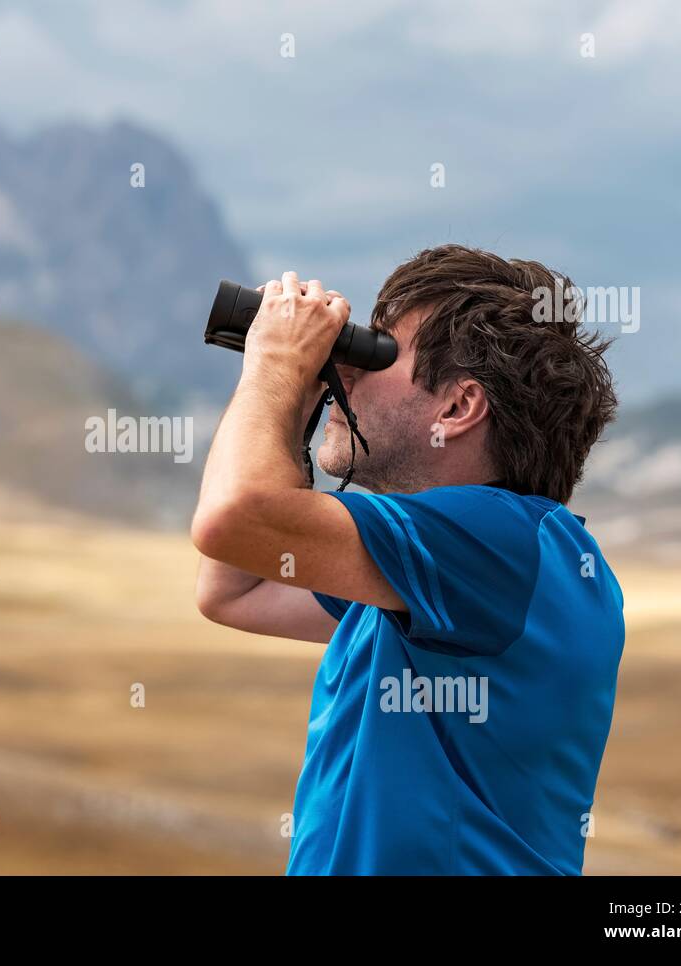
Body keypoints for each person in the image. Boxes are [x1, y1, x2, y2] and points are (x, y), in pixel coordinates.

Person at [191, 246, 623, 874]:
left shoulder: (500, 544)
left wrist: (280, 361)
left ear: (457, 408)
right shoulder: (439, 571)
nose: (349, 370)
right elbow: (235, 589)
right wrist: (299, 395)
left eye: (379, 351)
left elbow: (234, 520)